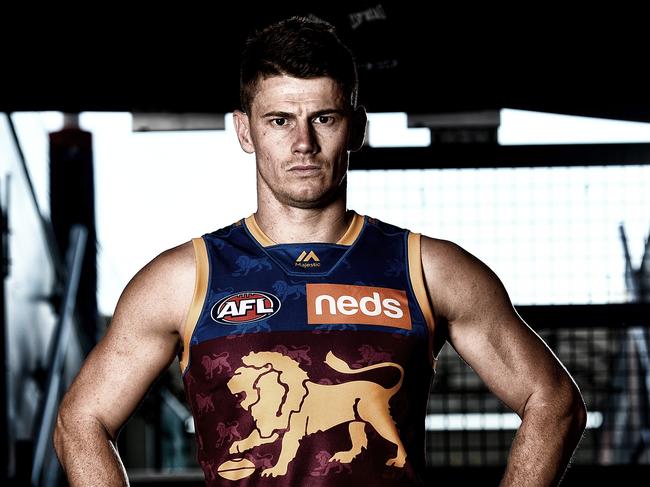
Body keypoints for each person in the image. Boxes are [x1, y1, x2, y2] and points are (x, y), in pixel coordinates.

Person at [54, 16, 587, 486]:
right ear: (245, 130)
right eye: (280, 120)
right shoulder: (183, 280)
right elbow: (81, 422)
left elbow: (554, 403)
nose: (303, 143)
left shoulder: (429, 269)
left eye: (324, 118)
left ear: (354, 128)